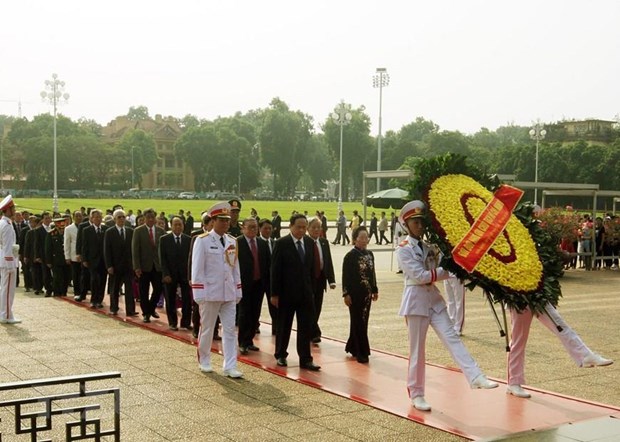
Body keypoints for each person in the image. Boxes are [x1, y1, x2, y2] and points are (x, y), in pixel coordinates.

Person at [396, 200, 498, 412]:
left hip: (433, 299)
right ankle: (417, 394)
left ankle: (475, 376)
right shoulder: (403, 249)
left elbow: (446, 262)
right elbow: (421, 275)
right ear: (406, 224)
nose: (419, 226)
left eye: (421, 222)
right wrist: (448, 271)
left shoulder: (429, 246)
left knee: (452, 337)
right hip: (415, 301)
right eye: (415, 222)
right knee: (417, 351)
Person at [507, 304, 613, 399]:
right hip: (517, 298)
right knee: (518, 340)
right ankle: (514, 383)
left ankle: (585, 355)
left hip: (537, 294)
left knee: (560, 325)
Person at [191, 202, 243, 378]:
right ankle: (204, 360)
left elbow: (235, 268)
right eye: (221, 220)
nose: (225, 223)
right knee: (207, 328)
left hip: (228, 293)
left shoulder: (232, 241)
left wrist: (238, 290)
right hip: (210, 293)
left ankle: (230, 365)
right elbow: (197, 269)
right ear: (212, 221)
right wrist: (199, 294)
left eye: (227, 220)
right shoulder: (203, 240)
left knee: (229, 330)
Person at [270, 213, 321, 371]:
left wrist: (312, 290)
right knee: (284, 326)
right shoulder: (282, 243)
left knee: (305, 327)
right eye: (298, 227)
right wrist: (274, 294)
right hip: (286, 294)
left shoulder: (309, 242)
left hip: (305, 294)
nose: (301, 230)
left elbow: (312, 269)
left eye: (304, 227)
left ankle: (305, 358)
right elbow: (275, 270)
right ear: (291, 226)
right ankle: (281, 355)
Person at [342, 226, 378, 363]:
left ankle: (353, 346)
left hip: (367, 294)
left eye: (366, 237)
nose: (364, 240)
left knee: (363, 321)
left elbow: (372, 273)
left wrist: (374, 289)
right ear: (355, 239)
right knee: (357, 321)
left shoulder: (370, 254)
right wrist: (346, 294)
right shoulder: (350, 256)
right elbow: (346, 276)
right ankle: (362, 351)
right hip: (354, 294)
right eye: (361, 237)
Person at [236, 217, 270, 354]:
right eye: (250, 227)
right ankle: (242, 342)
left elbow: (268, 264)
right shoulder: (237, 243)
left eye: (255, 227)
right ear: (243, 228)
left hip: (259, 283)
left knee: (255, 313)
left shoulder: (262, 243)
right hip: (244, 284)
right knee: (244, 313)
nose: (253, 230)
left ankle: (249, 340)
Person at [132, 208, 165, 323]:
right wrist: (137, 267)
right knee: (143, 291)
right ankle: (146, 313)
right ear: (144, 218)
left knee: (158, 289)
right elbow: (135, 250)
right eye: (148, 217)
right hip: (144, 267)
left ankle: (151, 308)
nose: (151, 219)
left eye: (152, 217)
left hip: (157, 267)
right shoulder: (138, 231)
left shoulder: (161, 231)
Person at [103, 209, 138, 317]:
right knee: (115, 289)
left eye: (123, 217)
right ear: (114, 219)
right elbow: (107, 250)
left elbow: (134, 249)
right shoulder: (110, 232)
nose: (122, 219)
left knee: (129, 289)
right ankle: (114, 308)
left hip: (128, 266)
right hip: (115, 266)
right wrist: (109, 265)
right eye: (119, 217)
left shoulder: (130, 231)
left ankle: (130, 310)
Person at [159, 217, 192, 331]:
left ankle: (186, 322)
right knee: (170, 299)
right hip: (170, 275)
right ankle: (172, 322)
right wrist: (165, 274)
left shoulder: (188, 239)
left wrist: (190, 275)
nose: (178, 227)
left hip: (185, 275)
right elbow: (162, 259)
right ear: (171, 226)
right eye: (176, 225)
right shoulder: (164, 239)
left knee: (187, 299)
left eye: (180, 225)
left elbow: (191, 259)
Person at [307, 217, 336, 343]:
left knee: (317, 307)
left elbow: (328, 261)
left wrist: (331, 280)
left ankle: (312, 330)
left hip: (320, 280)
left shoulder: (324, 242)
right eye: (313, 227)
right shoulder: (305, 242)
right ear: (308, 229)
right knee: (310, 307)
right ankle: (313, 332)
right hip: (308, 281)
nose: (316, 230)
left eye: (318, 227)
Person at [81, 209, 108, 309]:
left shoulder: (106, 229)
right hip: (92, 260)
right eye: (96, 217)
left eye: (100, 217)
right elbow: (85, 246)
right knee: (94, 279)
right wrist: (84, 259)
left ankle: (99, 300)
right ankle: (93, 300)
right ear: (91, 219)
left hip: (104, 260)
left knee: (102, 280)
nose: (98, 219)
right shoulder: (87, 230)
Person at [0, 195, 20, 324]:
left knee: (5, 288)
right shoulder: (6, 225)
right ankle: (6, 315)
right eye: (13, 208)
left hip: (6, 259)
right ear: (7, 210)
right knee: (8, 290)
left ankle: (5, 313)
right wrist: (10, 263)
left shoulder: (4, 222)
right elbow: (7, 246)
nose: (14, 210)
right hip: (8, 261)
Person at [258, 218, 277, 335]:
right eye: (265, 228)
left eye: (270, 228)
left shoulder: (275, 243)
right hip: (259, 280)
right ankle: (255, 325)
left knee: (274, 306)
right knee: (256, 306)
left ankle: (276, 327)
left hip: (272, 281)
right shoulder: (256, 243)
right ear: (260, 229)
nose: (268, 231)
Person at [45, 217, 70, 296]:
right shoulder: (51, 234)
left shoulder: (67, 232)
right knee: (57, 277)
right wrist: (48, 261)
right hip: (56, 260)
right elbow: (48, 248)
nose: (61, 229)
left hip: (66, 259)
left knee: (66, 277)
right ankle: (57, 292)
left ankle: (64, 292)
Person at [64, 210, 84, 301]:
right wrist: (67, 256)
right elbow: (67, 243)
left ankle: (84, 291)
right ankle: (77, 292)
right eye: (77, 216)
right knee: (76, 275)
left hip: (85, 255)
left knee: (84, 275)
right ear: (74, 217)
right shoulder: (69, 229)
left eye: (80, 216)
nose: (79, 218)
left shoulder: (85, 227)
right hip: (74, 254)